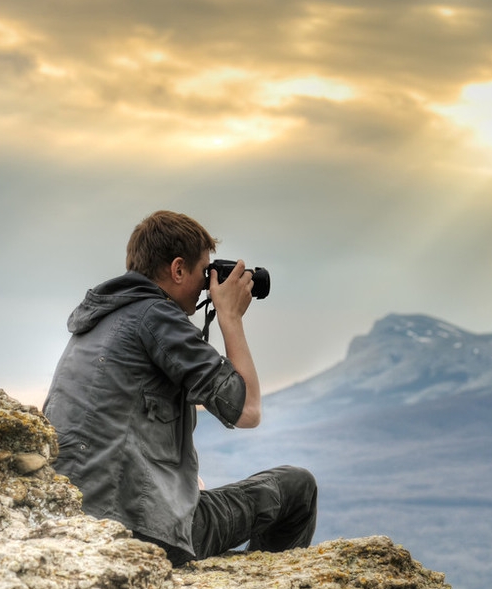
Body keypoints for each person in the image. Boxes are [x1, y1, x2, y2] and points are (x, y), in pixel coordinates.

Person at [43, 210, 317, 565]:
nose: (208, 282)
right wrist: (230, 317)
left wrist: (181, 484)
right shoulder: (155, 317)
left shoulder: (99, 320)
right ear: (177, 270)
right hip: (139, 530)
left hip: (79, 520)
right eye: (205, 271)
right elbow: (248, 410)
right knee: (297, 488)